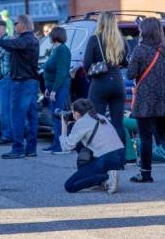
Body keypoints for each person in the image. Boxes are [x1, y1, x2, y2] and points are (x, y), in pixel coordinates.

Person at [0, 14, 40, 158]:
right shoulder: (32, 40)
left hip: (22, 83)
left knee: (17, 116)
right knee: (31, 116)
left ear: (23, 24)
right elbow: (8, 45)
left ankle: (17, 149)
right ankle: (31, 149)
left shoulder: (24, 40)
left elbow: (7, 44)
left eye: (16, 23)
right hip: (30, 83)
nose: (15, 26)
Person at [126, 17, 165, 183]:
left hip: (145, 102)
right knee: (163, 136)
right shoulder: (163, 49)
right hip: (163, 99)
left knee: (146, 137)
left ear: (144, 31)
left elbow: (130, 74)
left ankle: (145, 174)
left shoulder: (140, 50)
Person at [60, 99, 125, 193]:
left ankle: (106, 177)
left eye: (73, 113)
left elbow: (66, 147)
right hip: (120, 157)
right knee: (81, 147)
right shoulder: (100, 117)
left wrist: (64, 125)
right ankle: (106, 179)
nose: (72, 115)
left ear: (77, 113)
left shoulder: (81, 122)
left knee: (69, 186)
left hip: (106, 159)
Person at [83, 12, 129, 143]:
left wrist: (91, 73)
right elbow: (126, 63)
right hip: (118, 84)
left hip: (100, 84)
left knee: (96, 120)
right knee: (118, 123)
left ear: (101, 22)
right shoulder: (121, 40)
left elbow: (86, 64)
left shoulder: (95, 39)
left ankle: (101, 154)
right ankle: (121, 158)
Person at [42, 26, 72, 154]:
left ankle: (62, 145)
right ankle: (56, 143)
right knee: (54, 117)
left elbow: (62, 72)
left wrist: (54, 90)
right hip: (53, 87)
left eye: (50, 35)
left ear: (55, 36)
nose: (49, 37)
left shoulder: (63, 50)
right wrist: (48, 89)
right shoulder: (56, 49)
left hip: (59, 88)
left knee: (59, 116)